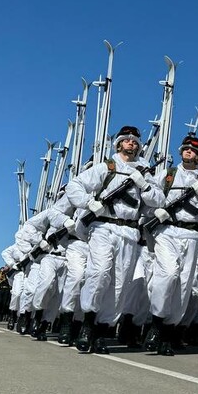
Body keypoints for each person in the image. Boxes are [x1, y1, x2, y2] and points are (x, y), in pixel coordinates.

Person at [65, 125, 165, 354]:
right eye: (126, 140)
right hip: (103, 227)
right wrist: (89, 203)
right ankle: (88, 325)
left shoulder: (145, 171)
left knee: (120, 284)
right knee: (99, 273)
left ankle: (102, 329)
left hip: (129, 232)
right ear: (119, 144)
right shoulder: (106, 167)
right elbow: (74, 186)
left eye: (134, 141)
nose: (131, 143)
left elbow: (158, 200)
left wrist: (143, 184)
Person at [146, 134, 198, 356]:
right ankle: (157, 323)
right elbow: (149, 197)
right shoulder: (167, 176)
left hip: (191, 235)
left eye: (193, 150)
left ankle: (169, 332)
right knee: (168, 275)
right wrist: (154, 211)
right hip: (167, 231)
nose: (189, 152)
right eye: (186, 149)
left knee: (184, 286)